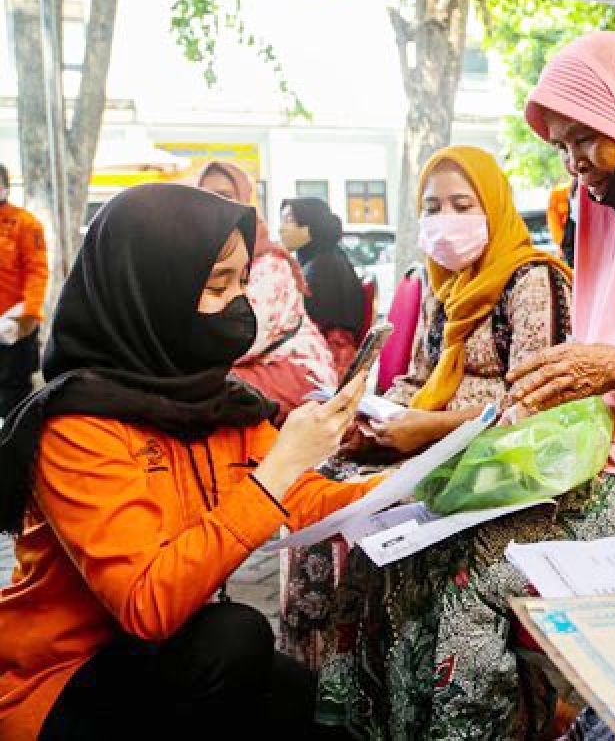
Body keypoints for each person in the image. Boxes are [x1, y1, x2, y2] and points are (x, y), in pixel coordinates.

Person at [317, 35, 615, 740]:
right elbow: (595, 377)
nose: (576, 165)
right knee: (398, 546)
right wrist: (555, 392)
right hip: (606, 463)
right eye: (563, 148)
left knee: (473, 563)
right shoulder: (607, 222)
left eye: (587, 139)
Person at [0, 184, 378, 740]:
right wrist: (276, 473)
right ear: (152, 292)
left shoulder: (216, 401)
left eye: (243, 282)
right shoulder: (78, 427)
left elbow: (302, 499)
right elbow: (147, 603)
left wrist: (424, 486)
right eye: (216, 285)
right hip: (62, 681)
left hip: (164, 654)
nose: (240, 303)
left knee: (315, 707)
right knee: (235, 638)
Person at [279, 145, 574, 668]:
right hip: (421, 442)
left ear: (494, 205)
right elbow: (416, 377)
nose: (446, 220)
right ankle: (322, 680)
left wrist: (428, 430)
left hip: (490, 457)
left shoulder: (533, 280)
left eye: (463, 204)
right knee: (314, 487)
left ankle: (376, 679)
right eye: (433, 207)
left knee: (364, 513)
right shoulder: (445, 286)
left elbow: (534, 403)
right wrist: (370, 420)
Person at [197, 162, 338, 418]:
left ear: (245, 201)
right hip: (245, 367)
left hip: (296, 372)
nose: (214, 205)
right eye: (204, 197)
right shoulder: (202, 257)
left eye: (225, 196)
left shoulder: (269, 262)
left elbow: (240, 339)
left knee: (197, 392)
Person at [280, 197, 364, 372]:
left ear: (311, 225)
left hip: (327, 360)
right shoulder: (325, 258)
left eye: (289, 220)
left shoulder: (323, 268)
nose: (281, 228)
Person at [0, 164, 48, 417]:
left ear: (5, 187)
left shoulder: (26, 224)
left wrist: (26, 318)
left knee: (13, 394)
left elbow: (37, 272)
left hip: (15, 326)